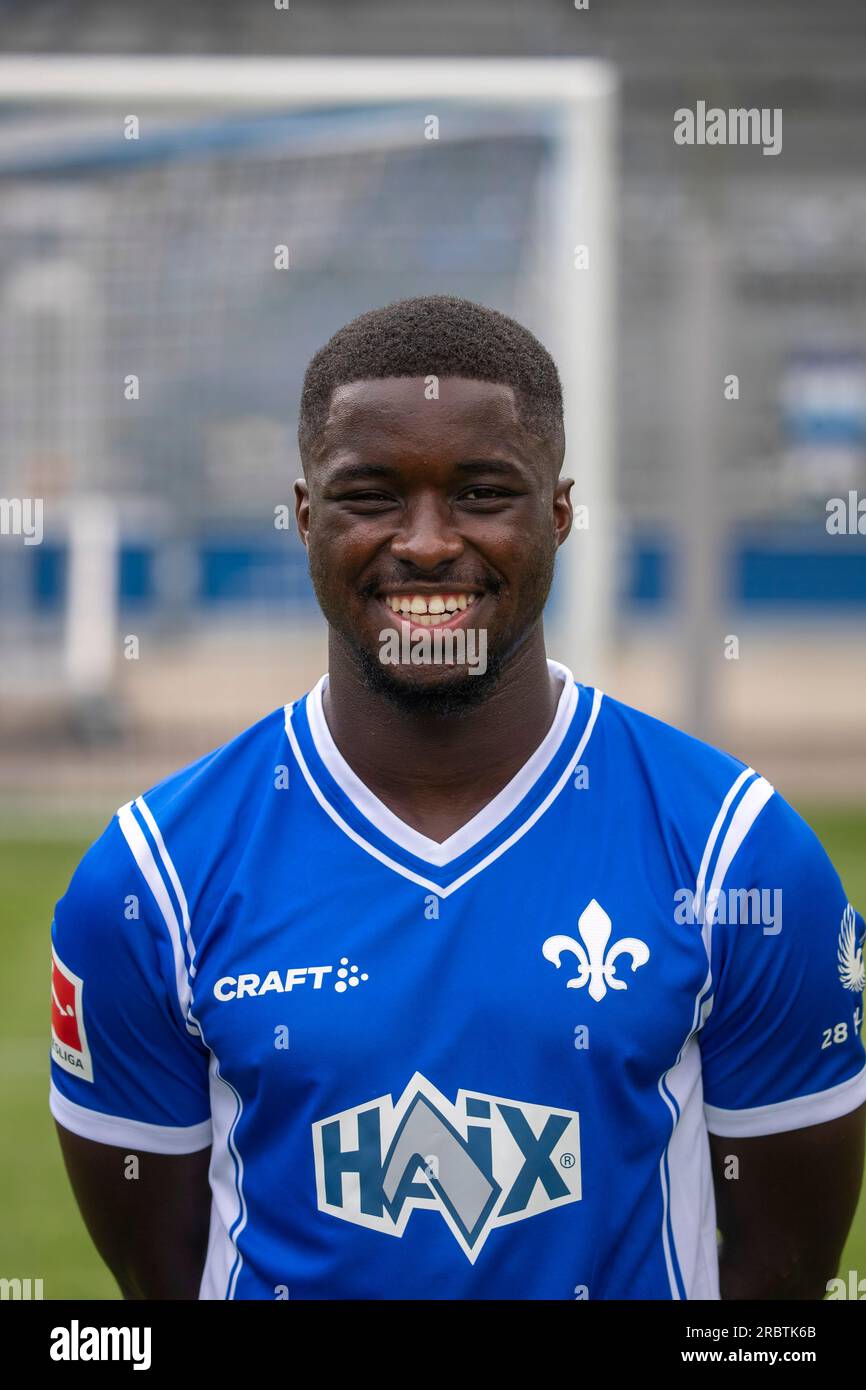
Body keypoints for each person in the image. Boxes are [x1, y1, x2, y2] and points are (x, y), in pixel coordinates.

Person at [50, 296, 866, 1300]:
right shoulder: (150, 882)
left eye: (481, 493)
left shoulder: (741, 860)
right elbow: (160, 1272)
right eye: (370, 494)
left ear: (558, 513)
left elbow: (780, 1278)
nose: (427, 543)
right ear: (305, 515)